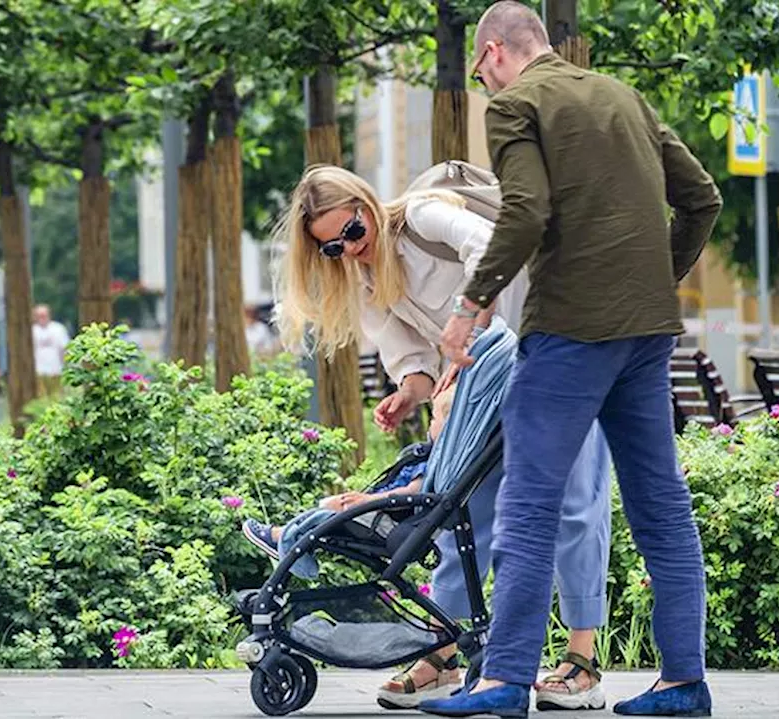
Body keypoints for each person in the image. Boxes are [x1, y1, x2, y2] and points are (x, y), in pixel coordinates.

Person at [424, 3, 723, 718]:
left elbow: (523, 211)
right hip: (645, 335)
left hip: (568, 336)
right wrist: (653, 280)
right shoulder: (624, 97)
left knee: (529, 504)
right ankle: (684, 682)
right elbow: (702, 200)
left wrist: (470, 306)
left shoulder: (517, 105)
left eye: (480, 71)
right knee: (662, 507)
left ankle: (503, 682)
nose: (484, 86)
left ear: (495, 52)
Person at [274, 164, 614, 711]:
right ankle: (446, 649)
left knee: (574, 503)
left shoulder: (422, 215)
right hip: (484, 380)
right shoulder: (363, 279)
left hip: (557, 342)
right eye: (332, 248)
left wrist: (468, 329)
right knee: (462, 507)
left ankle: (582, 661)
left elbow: (488, 248)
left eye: (353, 232)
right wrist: (410, 390)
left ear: (367, 206)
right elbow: (409, 353)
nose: (349, 249)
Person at [241, 384, 456, 560]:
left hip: (387, 521)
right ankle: (289, 539)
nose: (429, 424)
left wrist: (367, 500)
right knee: (328, 508)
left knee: (332, 510)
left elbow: (412, 494)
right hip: (387, 515)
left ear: (449, 428)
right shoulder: (436, 459)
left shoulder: (432, 465)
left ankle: (282, 538)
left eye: (434, 419)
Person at [31, 304, 70, 398]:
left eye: (44, 315)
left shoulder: (58, 329)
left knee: (57, 398)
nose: (42, 318)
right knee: (41, 398)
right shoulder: (32, 330)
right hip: (38, 372)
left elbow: (64, 349)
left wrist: (66, 367)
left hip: (56, 370)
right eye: (39, 315)